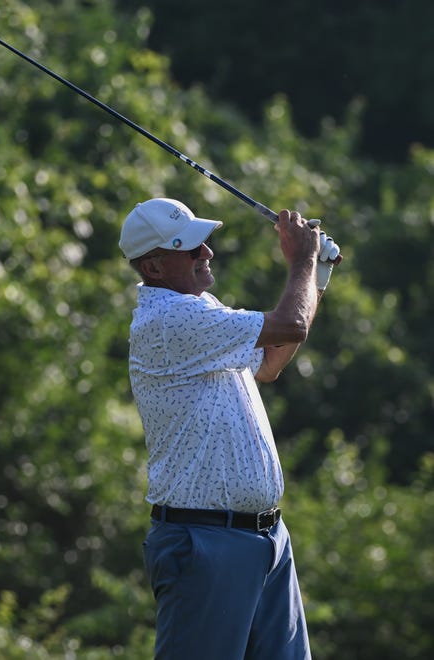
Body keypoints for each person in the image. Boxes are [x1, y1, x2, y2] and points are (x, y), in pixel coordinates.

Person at [118, 197, 340, 660]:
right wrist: (301, 259)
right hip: (204, 543)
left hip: (266, 539)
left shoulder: (200, 307)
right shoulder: (170, 319)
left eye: (205, 243)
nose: (207, 254)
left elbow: (271, 361)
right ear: (155, 266)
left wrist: (317, 275)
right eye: (192, 247)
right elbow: (291, 325)